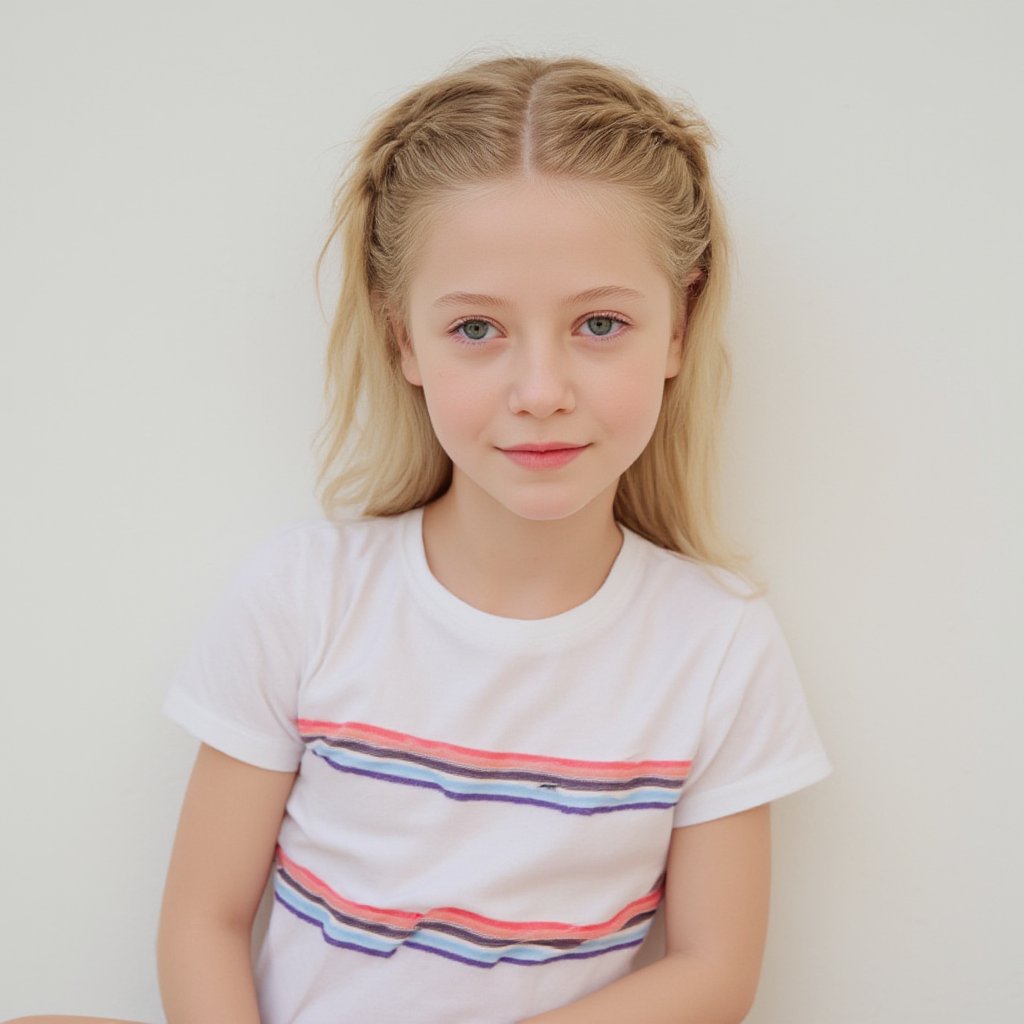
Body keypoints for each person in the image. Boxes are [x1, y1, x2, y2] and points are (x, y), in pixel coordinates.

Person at [7, 51, 830, 1024]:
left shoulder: (717, 642)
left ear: (680, 325)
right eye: (477, 329)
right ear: (402, 337)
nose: (539, 389)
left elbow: (711, 972)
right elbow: (205, 916)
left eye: (599, 323)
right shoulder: (306, 593)